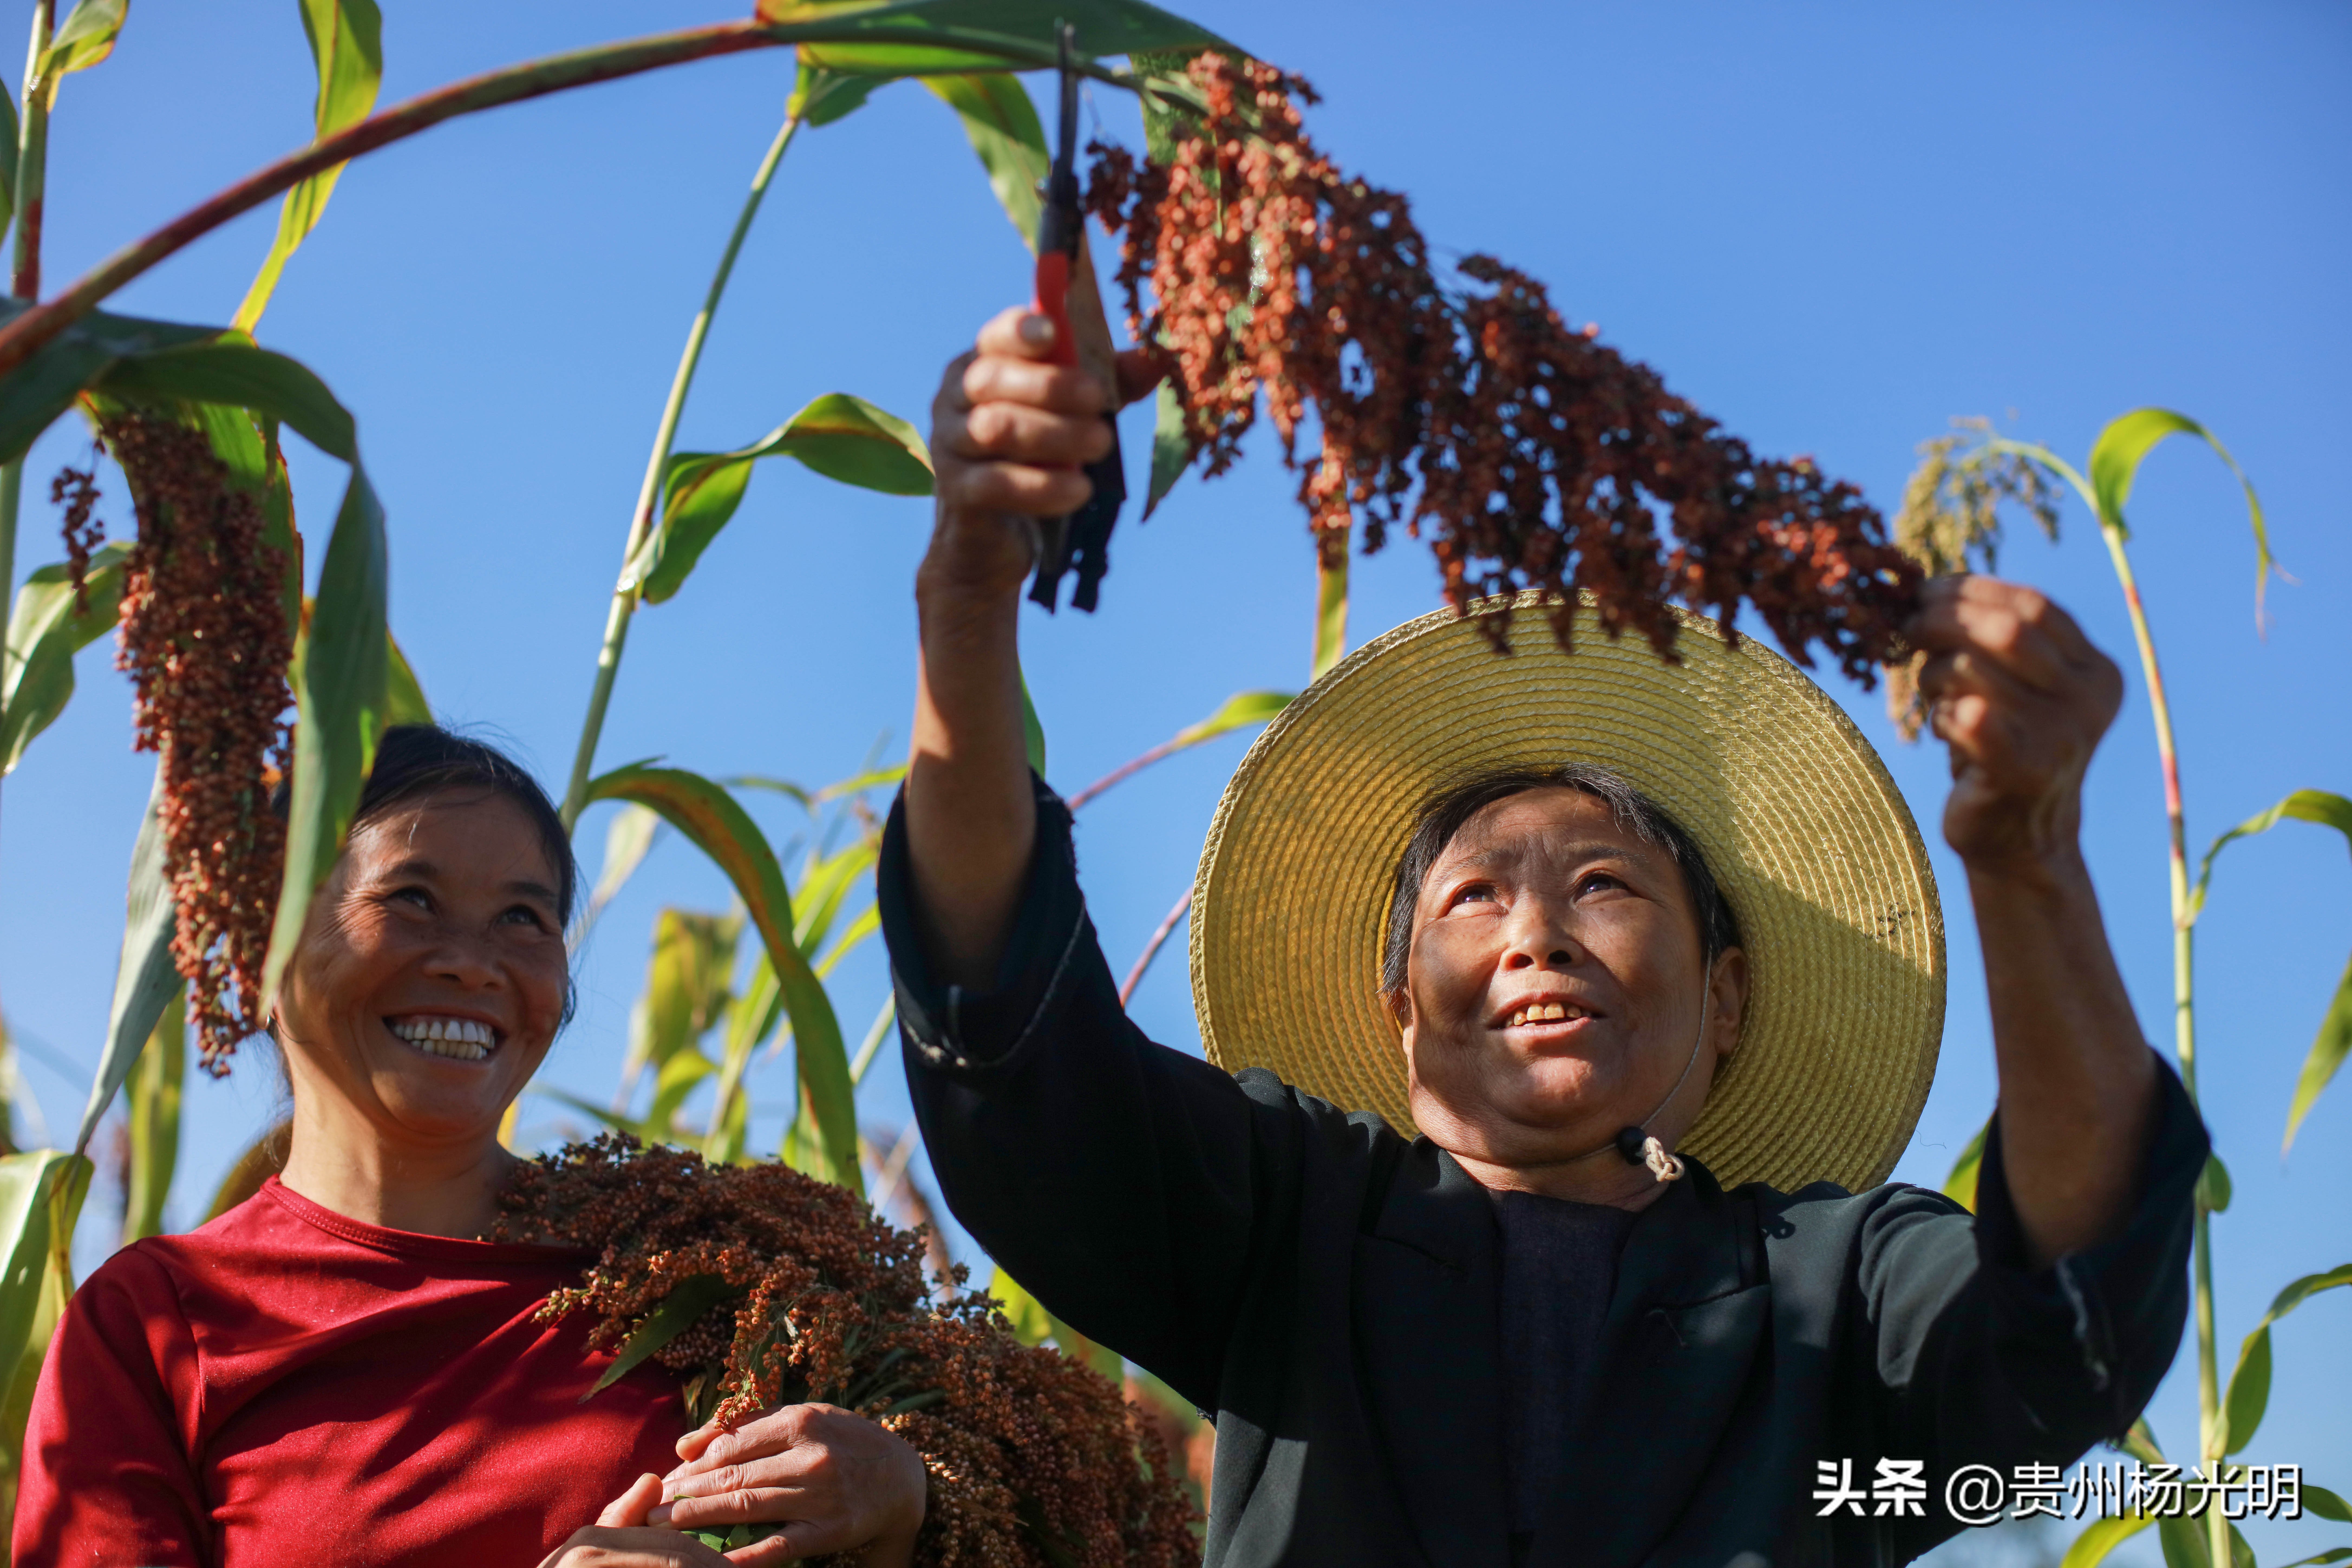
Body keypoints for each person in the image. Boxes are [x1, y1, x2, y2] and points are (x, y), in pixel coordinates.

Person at [877, 306, 2208, 1567]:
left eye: (1606, 886)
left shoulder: (1841, 1284)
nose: (1536, 937)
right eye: (1472, 896)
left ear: (1727, 994)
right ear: (1402, 1008)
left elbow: (2067, 1333)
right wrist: (971, 584)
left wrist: (2029, 862)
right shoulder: (1286, 1219)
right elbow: (1016, 1045)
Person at [16, 726, 928, 1568]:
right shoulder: (155, 1323)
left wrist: (910, 1505)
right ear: (262, 948)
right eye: (412, 899)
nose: (473, 961)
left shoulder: (710, 1270)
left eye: (524, 920)